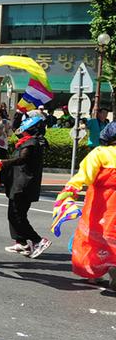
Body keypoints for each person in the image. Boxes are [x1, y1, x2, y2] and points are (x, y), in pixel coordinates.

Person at [57, 121, 116, 288]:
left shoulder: (100, 153)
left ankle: (93, 274)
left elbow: (84, 176)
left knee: (93, 238)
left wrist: (68, 192)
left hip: (101, 204)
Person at [1, 112, 51, 259]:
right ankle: (21, 242)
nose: (21, 128)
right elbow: (16, 129)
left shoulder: (32, 143)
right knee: (13, 214)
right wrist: (17, 115)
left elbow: (22, 159)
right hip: (17, 182)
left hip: (23, 184)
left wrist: (3, 163)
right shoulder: (27, 140)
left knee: (18, 216)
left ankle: (38, 240)